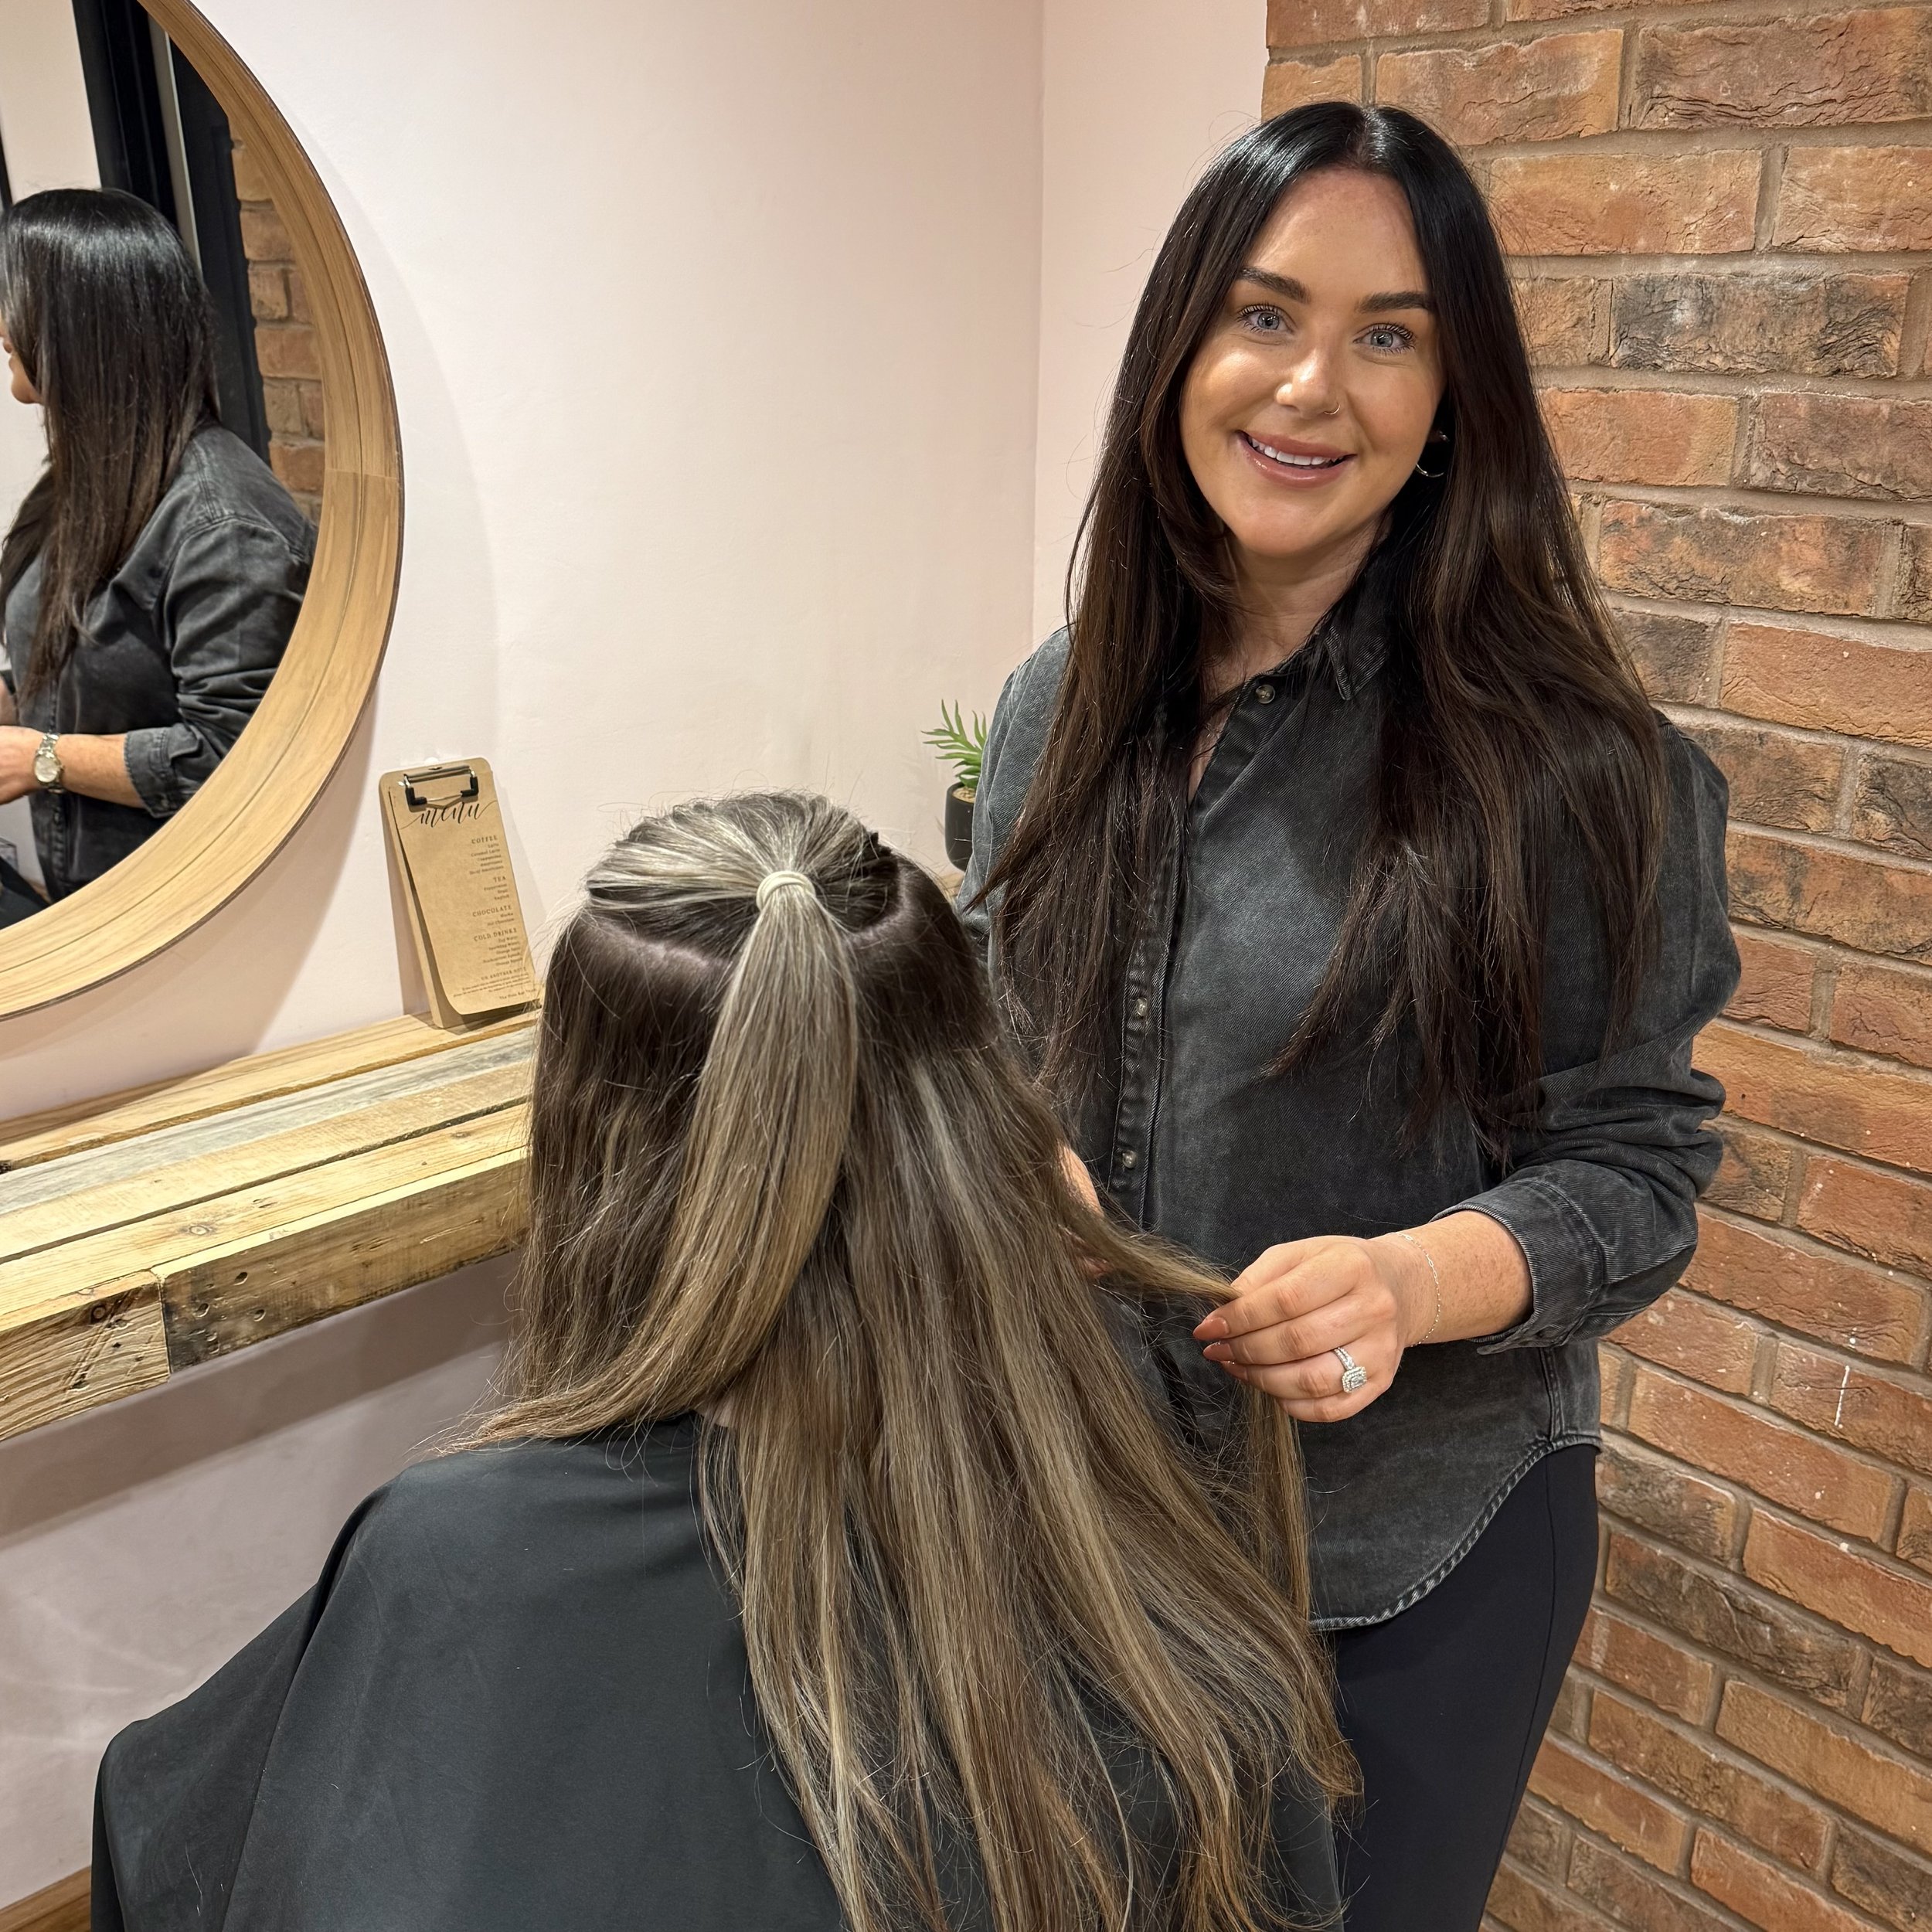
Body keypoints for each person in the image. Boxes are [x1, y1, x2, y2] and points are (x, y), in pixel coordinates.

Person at [93, 791, 1351, 1932]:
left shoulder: (456, 1552)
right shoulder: (1167, 1595)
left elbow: (168, 1833)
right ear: (975, 1133)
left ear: (590, 1145)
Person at [961, 103, 1739, 1930]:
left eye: (1388, 333)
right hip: (1096, 1525)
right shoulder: (1057, 706)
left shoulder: (1575, 768)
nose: (1312, 386)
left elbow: (1637, 1174)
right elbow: (996, 1040)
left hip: (1407, 1561)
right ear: (1180, 351)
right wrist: (1025, 1162)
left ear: (1453, 391)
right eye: (1263, 315)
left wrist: (1403, 1282)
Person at [0, 189, 312, 919]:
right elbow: (70, 659)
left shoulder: (223, 525)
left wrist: (43, 758)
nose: (3, 329)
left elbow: (235, 757)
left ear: (78, 324)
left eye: (15, 301)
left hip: (179, 917)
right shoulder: (90, 477)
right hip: (89, 893)